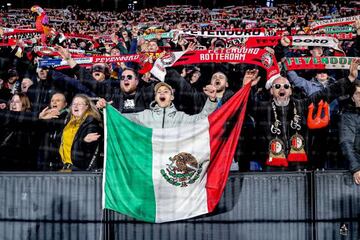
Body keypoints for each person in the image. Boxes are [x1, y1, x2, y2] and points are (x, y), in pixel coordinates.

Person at [245, 59, 360, 170]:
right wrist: (246, 87)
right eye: (277, 86)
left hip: (299, 168)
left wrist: (350, 78)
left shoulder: (302, 105)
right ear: (271, 90)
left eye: (286, 86)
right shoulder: (262, 108)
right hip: (271, 167)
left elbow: (325, 93)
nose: (282, 88)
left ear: (290, 90)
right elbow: (245, 105)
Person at [97, 82, 217, 128]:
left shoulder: (181, 117)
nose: (162, 93)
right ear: (155, 97)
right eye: (159, 92)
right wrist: (106, 109)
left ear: (172, 97)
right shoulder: (144, 115)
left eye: (166, 91)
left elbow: (203, 119)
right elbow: (121, 119)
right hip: (150, 164)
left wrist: (211, 100)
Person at [59, 94, 103, 170]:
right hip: (65, 167)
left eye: (79, 104)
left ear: (87, 107)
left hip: (81, 170)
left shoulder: (91, 122)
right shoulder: (68, 121)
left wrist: (84, 141)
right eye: (74, 104)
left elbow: (92, 149)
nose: (76, 106)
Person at [339, 80, 360, 184]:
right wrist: (356, 168)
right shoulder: (348, 116)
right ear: (352, 97)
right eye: (358, 94)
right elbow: (346, 143)